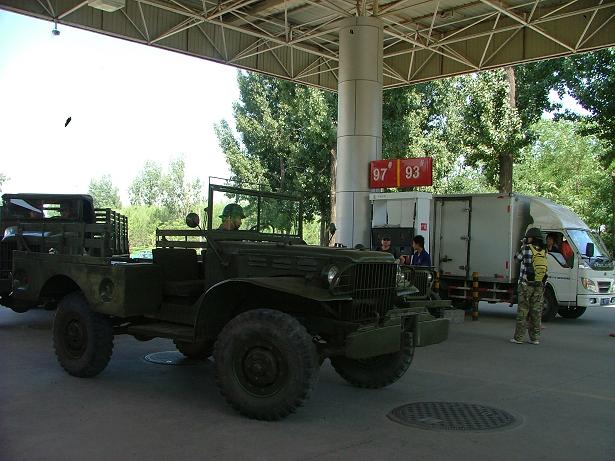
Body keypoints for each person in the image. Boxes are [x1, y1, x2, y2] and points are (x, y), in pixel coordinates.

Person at [511, 227, 548, 345]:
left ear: (532, 238)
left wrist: (522, 245)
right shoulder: (544, 251)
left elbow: (516, 259)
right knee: (536, 312)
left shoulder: (526, 248)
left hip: (525, 285)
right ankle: (535, 338)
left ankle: (519, 338)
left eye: (528, 237)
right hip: (539, 285)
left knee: (523, 311)